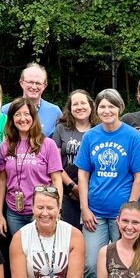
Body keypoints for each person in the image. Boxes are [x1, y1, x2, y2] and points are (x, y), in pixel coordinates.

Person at [75, 88, 140, 278]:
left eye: (111, 106)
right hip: (95, 212)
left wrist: (129, 211)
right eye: (102, 107)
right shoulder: (91, 136)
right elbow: (83, 173)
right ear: (97, 110)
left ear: (119, 108)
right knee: (89, 263)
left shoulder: (131, 136)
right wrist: (85, 208)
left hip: (124, 216)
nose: (106, 111)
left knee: (127, 262)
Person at [0, 96, 64, 239]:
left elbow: (57, 179)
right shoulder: (5, 146)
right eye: (17, 114)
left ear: (33, 117)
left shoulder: (48, 144)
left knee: (40, 253)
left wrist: (57, 209)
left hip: (42, 211)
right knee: (20, 252)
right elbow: (1, 181)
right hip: (14, 212)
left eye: (27, 114)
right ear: (11, 119)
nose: (23, 118)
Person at [52, 89, 96, 228]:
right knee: (70, 232)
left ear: (91, 106)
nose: (79, 107)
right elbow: (55, 163)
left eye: (83, 103)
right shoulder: (61, 129)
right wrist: (73, 186)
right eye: (75, 104)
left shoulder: (99, 129)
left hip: (93, 190)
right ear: (70, 109)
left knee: (91, 233)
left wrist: (84, 190)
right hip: (67, 189)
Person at [0, 63, 62, 136]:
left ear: (45, 85)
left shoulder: (55, 112)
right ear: (21, 83)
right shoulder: (6, 110)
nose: (34, 87)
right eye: (30, 82)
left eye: (38, 83)